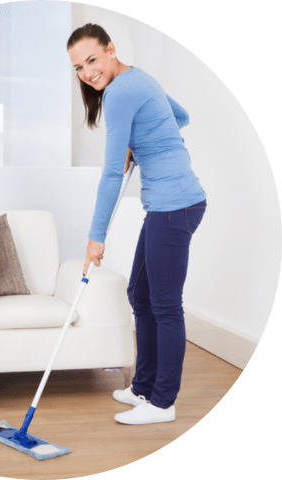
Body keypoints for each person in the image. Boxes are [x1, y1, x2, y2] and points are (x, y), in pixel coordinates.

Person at [67, 24, 206, 425]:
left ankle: (162, 402)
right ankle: (143, 386)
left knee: (164, 305)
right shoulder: (139, 77)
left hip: (174, 206)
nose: (87, 73)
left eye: (92, 60)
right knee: (140, 294)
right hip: (171, 205)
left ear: (111, 50)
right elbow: (180, 116)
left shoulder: (120, 92)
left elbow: (112, 173)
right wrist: (142, 143)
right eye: (78, 67)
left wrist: (96, 238)